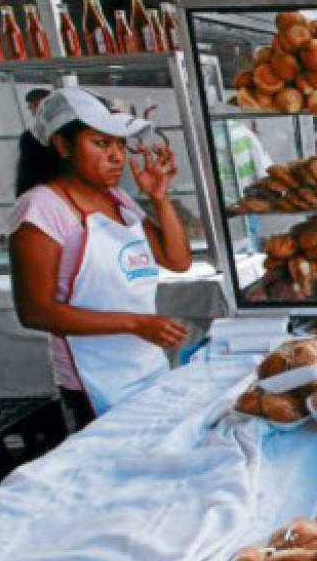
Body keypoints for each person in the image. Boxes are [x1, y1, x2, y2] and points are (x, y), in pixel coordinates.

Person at [10, 88, 191, 428]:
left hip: (145, 364)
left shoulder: (118, 198)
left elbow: (177, 260)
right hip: (93, 381)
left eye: (120, 144)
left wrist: (159, 198)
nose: (117, 156)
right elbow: (35, 311)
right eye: (101, 143)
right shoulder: (42, 207)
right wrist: (136, 323)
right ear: (62, 146)